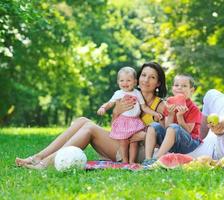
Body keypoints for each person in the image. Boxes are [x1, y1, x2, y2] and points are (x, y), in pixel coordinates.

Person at [15, 62, 167, 169]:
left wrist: (141, 134)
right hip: (121, 142)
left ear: (158, 83)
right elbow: (116, 127)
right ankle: (37, 157)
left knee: (90, 129)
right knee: (82, 120)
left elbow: (164, 137)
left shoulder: (160, 105)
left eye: (152, 77)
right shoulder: (130, 96)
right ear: (137, 79)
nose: (146, 80)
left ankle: (44, 165)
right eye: (144, 75)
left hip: (137, 152)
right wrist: (116, 112)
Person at [97, 66, 162, 163]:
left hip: (135, 122)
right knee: (123, 142)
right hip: (123, 121)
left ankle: (132, 161)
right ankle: (125, 161)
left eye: (128, 80)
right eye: (122, 80)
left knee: (134, 142)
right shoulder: (118, 93)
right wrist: (103, 107)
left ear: (135, 82)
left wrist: (155, 113)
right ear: (118, 82)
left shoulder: (137, 93)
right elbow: (110, 103)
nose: (125, 83)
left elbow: (144, 107)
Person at [143, 74, 202, 165]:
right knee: (153, 125)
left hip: (189, 143)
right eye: (176, 85)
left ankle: (157, 159)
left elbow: (188, 131)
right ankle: (148, 159)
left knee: (174, 127)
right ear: (172, 88)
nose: (179, 88)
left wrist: (180, 117)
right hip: (172, 141)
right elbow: (167, 128)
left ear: (191, 90)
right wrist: (171, 114)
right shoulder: (170, 104)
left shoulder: (194, 109)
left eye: (184, 86)